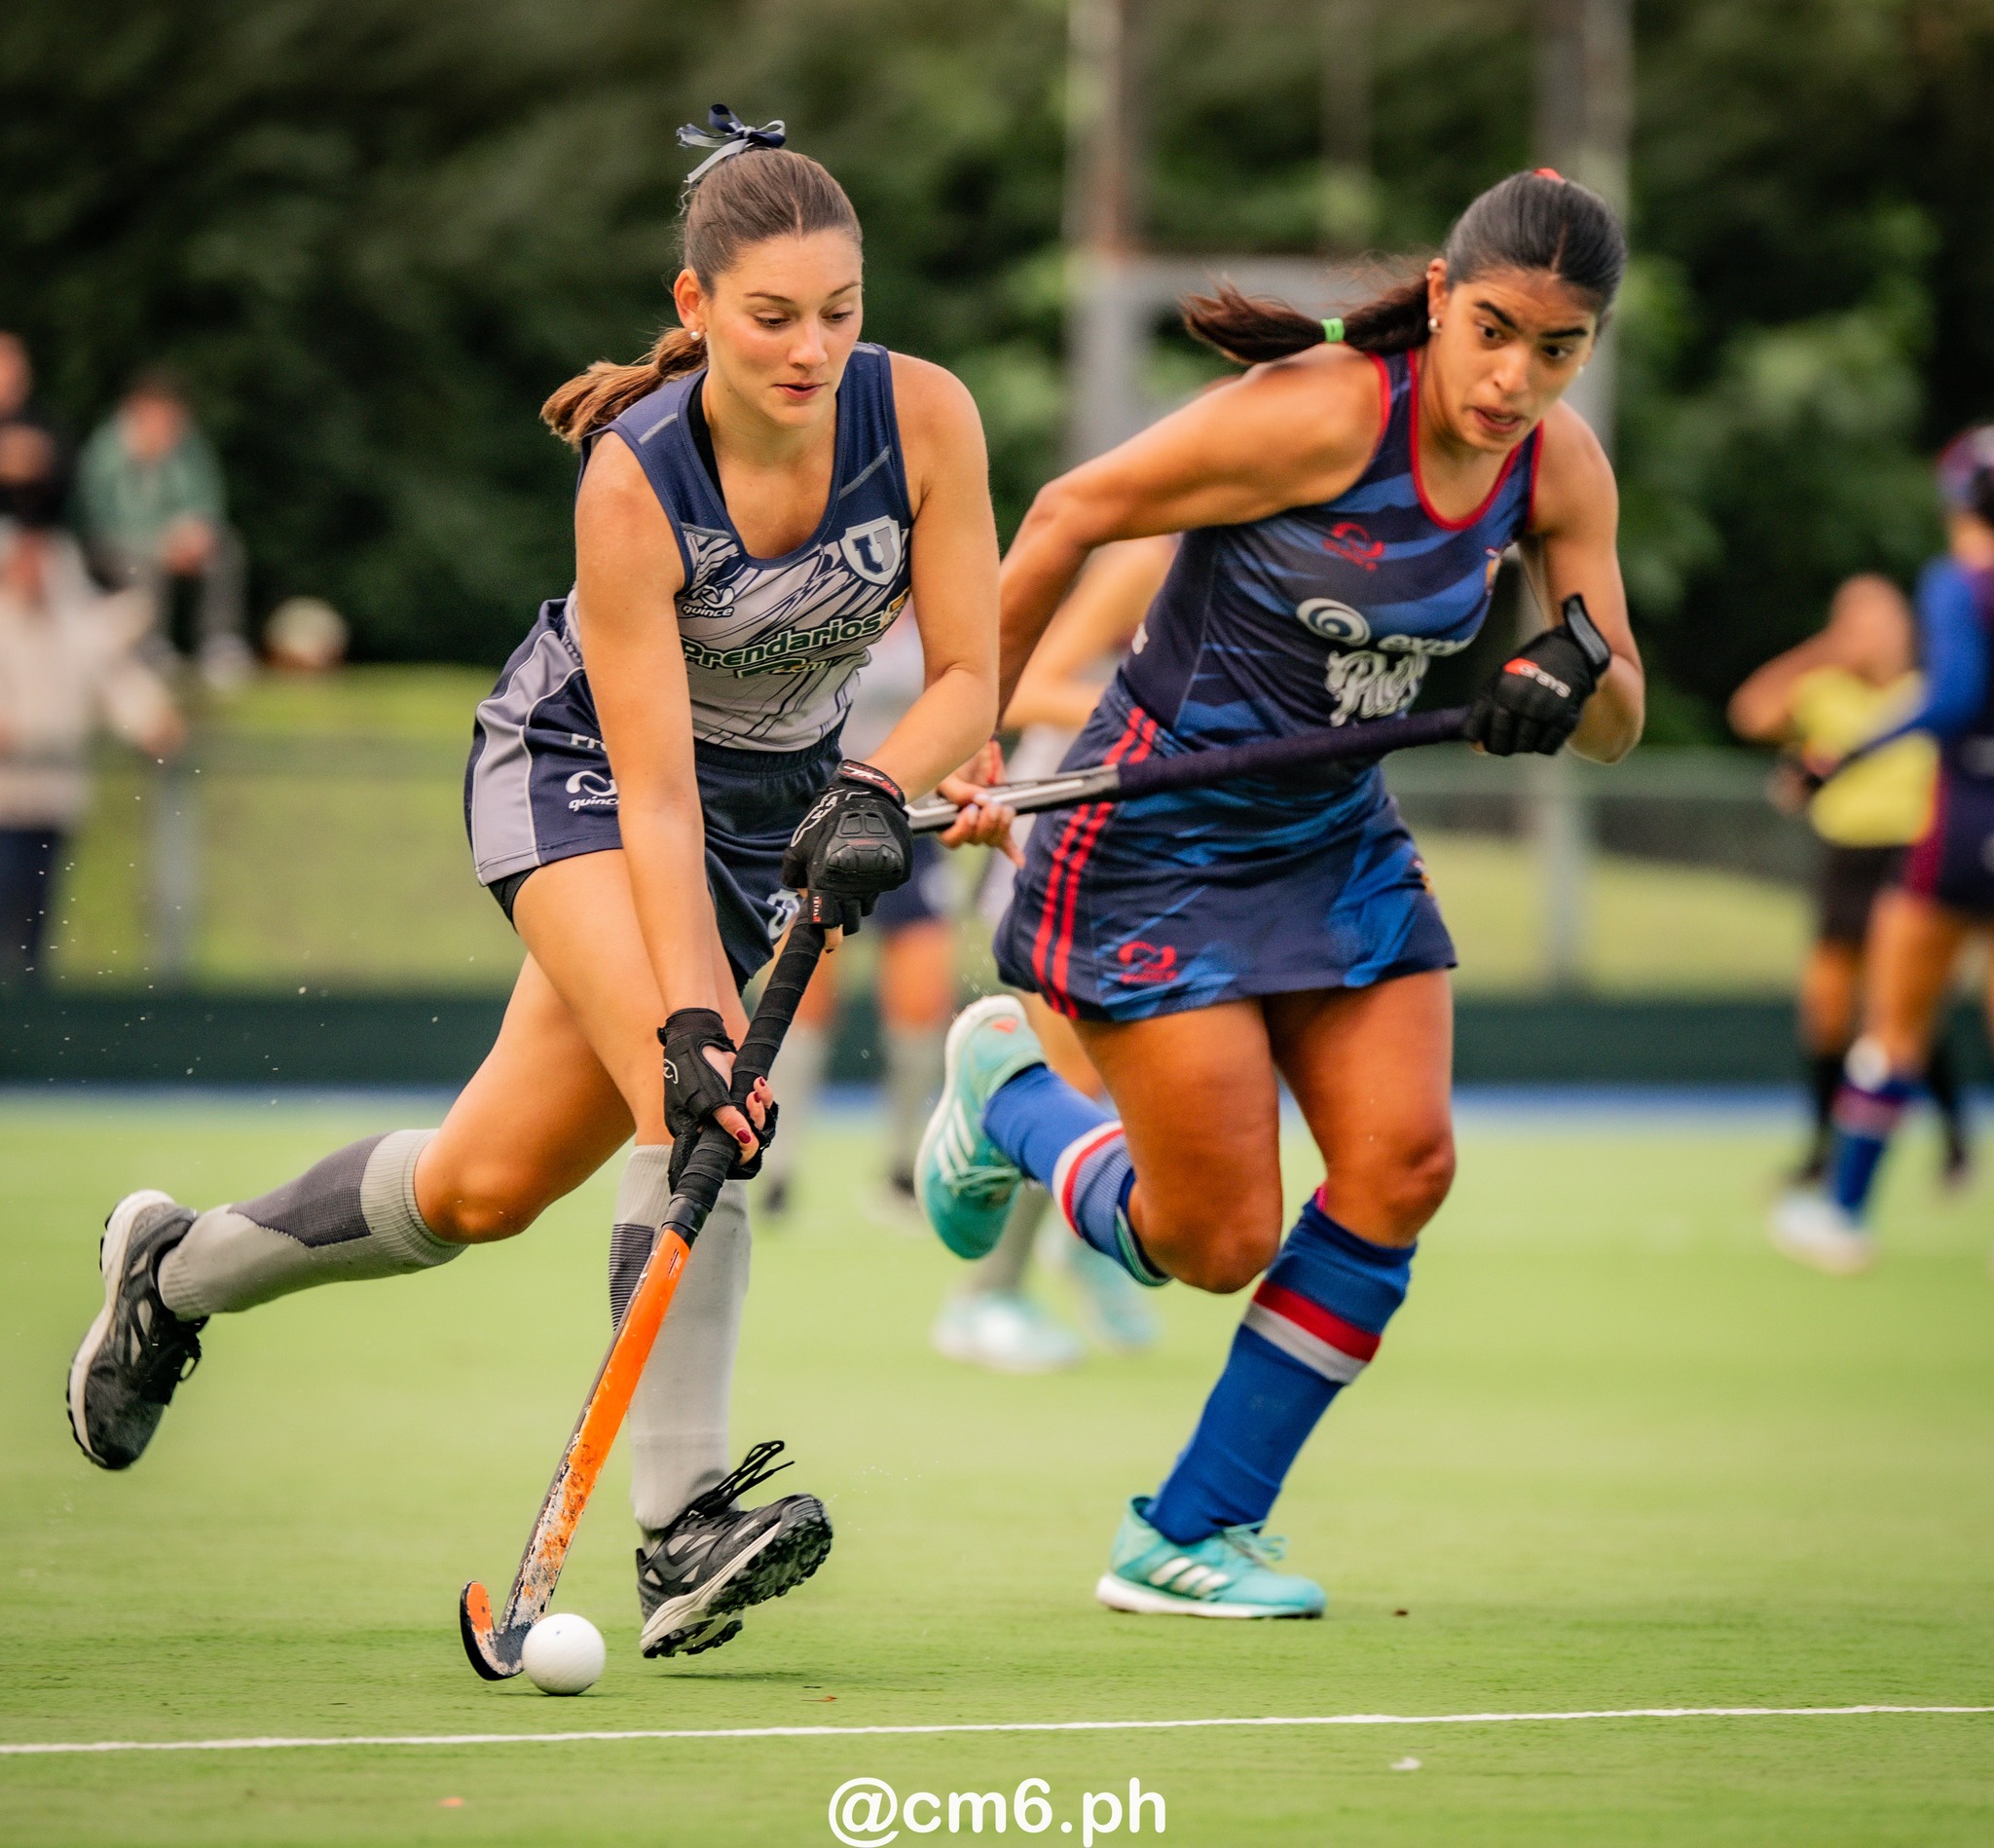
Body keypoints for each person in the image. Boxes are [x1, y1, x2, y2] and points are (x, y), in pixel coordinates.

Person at [65, 113, 1009, 1663]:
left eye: (839, 311)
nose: (814, 347)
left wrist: (874, 782)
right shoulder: (637, 482)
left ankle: (176, 1269)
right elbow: (648, 791)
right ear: (696, 307)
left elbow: (972, 671)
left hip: (770, 802)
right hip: (578, 776)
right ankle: (681, 1522)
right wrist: (698, 1018)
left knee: (483, 1188)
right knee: (689, 1097)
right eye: (773, 316)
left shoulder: (927, 419)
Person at [919, 170, 1642, 1617]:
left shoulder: (1557, 472)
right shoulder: (1320, 412)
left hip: (1334, 842)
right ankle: (1009, 1091)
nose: (1514, 377)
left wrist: (1569, 679)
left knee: (1403, 1168)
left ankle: (1189, 1529)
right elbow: (1068, 512)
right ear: (1440, 295)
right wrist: (965, 727)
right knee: (1217, 1240)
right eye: (1493, 329)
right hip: (1156, 835)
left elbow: (1620, 710)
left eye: (1557, 350)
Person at [933, 536, 1177, 1372]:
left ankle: (1086, 1241)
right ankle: (983, 1301)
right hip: (1059, 838)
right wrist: (1173, 719)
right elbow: (1033, 688)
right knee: (1070, 1077)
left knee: (1132, 1075)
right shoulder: (1150, 560)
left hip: (1160, 851)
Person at [1771, 427, 1994, 1275]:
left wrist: (1847, 753)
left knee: (1893, 1028)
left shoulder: (1959, 582)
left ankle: (1843, 1214)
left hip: (1966, 817)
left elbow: (1957, 696)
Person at [1728, 575, 1969, 1190]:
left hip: (1909, 858)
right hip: (1845, 861)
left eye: (1880, 620)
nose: (1870, 634)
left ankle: (1953, 1143)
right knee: (1828, 1010)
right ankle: (1821, 1150)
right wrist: (1826, 650)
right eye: (1855, 621)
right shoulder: (1825, 689)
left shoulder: (1934, 692)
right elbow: (1750, 712)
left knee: (1900, 1012)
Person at [753, 607, 961, 1226]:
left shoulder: (938, 605)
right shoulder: (812, 599)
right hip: (814, 820)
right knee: (805, 991)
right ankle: (774, 1169)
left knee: (922, 997)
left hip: (911, 829)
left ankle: (903, 1172)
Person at [0, 432, 182, 983]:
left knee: (32, 931)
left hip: (49, 797)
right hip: (4, 800)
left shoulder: (70, 619)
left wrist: (152, 719)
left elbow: (110, 672)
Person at [79, 371, 252, 685]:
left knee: (225, 549)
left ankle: (220, 641)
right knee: (140, 564)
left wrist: (197, 534)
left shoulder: (188, 448)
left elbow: (207, 499)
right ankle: (149, 643)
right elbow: (99, 518)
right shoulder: (106, 453)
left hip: (176, 543)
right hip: (116, 547)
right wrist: (157, 545)